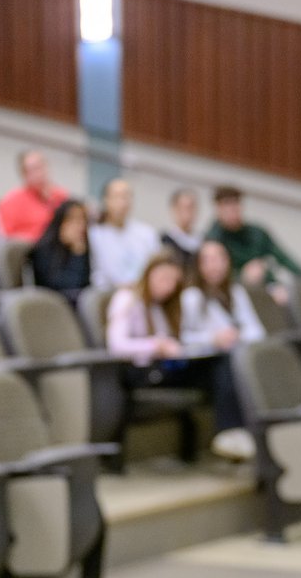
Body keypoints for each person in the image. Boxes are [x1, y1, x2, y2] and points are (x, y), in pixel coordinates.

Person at [107, 252, 253, 461]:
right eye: (163, 279)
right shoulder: (127, 299)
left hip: (169, 367)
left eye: (173, 282)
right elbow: (116, 345)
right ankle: (231, 431)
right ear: (148, 274)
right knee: (221, 371)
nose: (168, 286)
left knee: (226, 364)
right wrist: (155, 345)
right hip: (143, 372)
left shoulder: (164, 306)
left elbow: (179, 342)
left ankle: (237, 432)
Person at [206, 185, 301, 290]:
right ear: (218, 209)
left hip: (267, 286)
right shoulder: (212, 240)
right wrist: (242, 276)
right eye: (227, 205)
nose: (232, 209)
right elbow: (212, 273)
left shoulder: (257, 233)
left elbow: (284, 258)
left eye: (235, 204)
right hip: (234, 290)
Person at [181, 240, 265, 351]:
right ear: (198, 265)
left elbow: (257, 331)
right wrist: (212, 339)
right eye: (207, 260)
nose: (214, 265)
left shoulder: (236, 291)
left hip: (236, 353)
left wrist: (238, 336)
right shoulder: (192, 296)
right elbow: (182, 337)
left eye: (219, 259)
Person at [89, 177, 160, 288]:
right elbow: (97, 275)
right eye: (116, 197)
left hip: (143, 292)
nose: (122, 202)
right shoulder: (94, 234)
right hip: (108, 294)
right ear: (106, 200)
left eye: (126, 197)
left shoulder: (147, 233)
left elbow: (156, 268)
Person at [0, 149, 69, 242]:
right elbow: (6, 237)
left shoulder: (62, 196)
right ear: (24, 174)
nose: (39, 173)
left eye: (40, 166)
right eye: (33, 169)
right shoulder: (11, 201)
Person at [31, 199, 92, 301]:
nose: (80, 225)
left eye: (83, 220)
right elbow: (68, 285)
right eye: (72, 220)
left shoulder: (82, 246)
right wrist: (77, 255)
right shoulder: (43, 248)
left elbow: (87, 284)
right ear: (60, 221)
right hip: (52, 305)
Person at [160, 187, 203, 275]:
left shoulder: (204, 242)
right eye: (183, 207)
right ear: (174, 209)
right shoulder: (164, 242)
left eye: (191, 207)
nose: (187, 212)